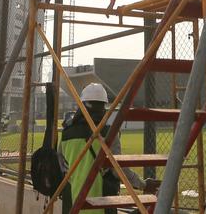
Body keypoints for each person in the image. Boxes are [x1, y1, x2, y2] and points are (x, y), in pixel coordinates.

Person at [59, 83, 150, 213]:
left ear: (82, 105)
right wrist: (143, 184)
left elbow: (62, 165)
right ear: (104, 107)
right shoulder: (109, 134)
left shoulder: (66, 133)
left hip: (72, 203)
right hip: (100, 204)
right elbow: (119, 169)